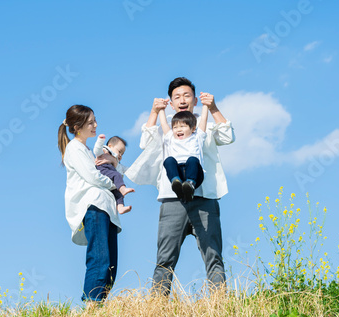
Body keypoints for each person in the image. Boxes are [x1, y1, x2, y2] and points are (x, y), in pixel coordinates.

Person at [126, 77, 235, 295]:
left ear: (195, 100)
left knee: (213, 254)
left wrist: (212, 108)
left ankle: (220, 304)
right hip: (172, 199)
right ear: (171, 102)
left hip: (204, 198)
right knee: (165, 257)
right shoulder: (166, 129)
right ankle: (156, 306)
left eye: (186, 95)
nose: (182, 100)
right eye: (177, 97)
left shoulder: (206, 126)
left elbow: (228, 135)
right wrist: (155, 112)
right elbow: (145, 143)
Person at [58, 104, 121, 302]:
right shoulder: (74, 148)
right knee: (100, 258)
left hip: (106, 208)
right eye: (90, 122)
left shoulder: (86, 150)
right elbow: (93, 176)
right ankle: (91, 307)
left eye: (95, 120)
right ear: (77, 126)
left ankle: (99, 306)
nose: (95, 124)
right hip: (94, 207)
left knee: (111, 264)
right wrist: (114, 184)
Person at [158, 105, 208, 202]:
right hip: (178, 171)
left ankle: (190, 185)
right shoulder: (171, 138)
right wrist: (161, 109)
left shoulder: (197, 137)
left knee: (192, 160)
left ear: (193, 129)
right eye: (175, 127)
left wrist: (206, 106)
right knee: (169, 160)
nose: (178, 129)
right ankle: (176, 183)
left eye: (182, 126)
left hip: (195, 173)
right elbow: (164, 124)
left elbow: (204, 120)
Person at [93, 135, 134, 214]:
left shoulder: (118, 163)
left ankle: (120, 207)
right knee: (117, 175)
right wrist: (100, 141)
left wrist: (136, 169)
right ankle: (123, 189)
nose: (120, 155)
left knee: (118, 194)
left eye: (122, 154)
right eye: (119, 151)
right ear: (110, 146)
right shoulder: (106, 151)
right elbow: (97, 151)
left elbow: (127, 170)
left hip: (111, 175)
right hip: (103, 169)